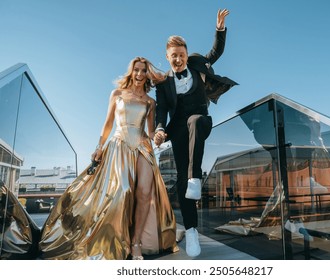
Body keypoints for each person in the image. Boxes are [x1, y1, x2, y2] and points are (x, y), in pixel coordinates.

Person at [39, 57, 177, 260]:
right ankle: (116, 240)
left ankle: (136, 242)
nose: (139, 74)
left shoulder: (150, 101)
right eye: (136, 70)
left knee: (145, 193)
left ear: (147, 74)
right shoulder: (117, 94)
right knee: (122, 189)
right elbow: (108, 124)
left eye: (143, 71)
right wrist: (99, 146)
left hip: (142, 147)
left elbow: (149, 130)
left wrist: (158, 137)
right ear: (131, 72)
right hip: (119, 145)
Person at [154, 9, 238, 257]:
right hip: (178, 131)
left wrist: (219, 29)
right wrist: (159, 129)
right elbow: (161, 111)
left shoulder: (198, 62)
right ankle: (191, 231)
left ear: (186, 54)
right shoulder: (163, 83)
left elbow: (216, 52)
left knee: (196, 121)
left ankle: (195, 179)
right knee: (181, 180)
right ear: (167, 57)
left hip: (201, 121)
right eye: (173, 57)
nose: (178, 59)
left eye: (181, 55)